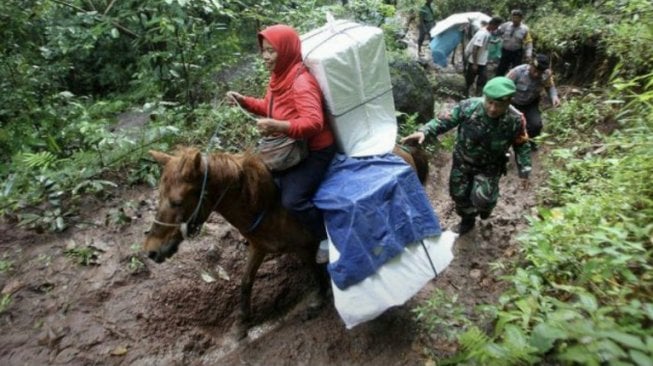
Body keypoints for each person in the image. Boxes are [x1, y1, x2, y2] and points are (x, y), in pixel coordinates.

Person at [226, 24, 336, 261]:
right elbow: (271, 107)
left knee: (293, 199)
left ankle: (326, 236)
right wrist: (244, 101)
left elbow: (314, 122)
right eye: (263, 50)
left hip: (316, 149)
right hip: (292, 145)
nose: (265, 57)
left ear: (285, 51)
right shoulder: (279, 77)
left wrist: (279, 126)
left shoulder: (301, 82)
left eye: (271, 51)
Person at [400, 77, 532, 235]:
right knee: (459, 196)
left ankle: (486, 207)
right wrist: (424, 131)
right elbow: (445, 121)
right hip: (462, 162)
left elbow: (522, 143)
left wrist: (524, 170)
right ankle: (467, 220)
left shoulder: (515, 120)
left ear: (509, 101)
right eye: (489, 102)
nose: (492, 109)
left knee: (483, 200)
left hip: (489, 167)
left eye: (499, 105)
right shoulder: (469, 107)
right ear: (484, 97)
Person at [506, 54, 561, 149]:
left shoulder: (546, 74)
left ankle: (530, 142)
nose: (536, 74)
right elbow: (504, 85)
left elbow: (550, 86)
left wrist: (554, 96)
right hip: (513, 103)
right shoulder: (517, 72)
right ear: (531, 65)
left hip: (530, 104)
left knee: (536, 125)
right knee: (510, 125)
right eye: (535, 71)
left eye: (539, 72)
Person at [464, 16, 503, 97]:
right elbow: (475, 48)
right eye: (496, 26)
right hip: (475, 61)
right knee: (470, 80)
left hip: (482, 61)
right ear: (492, 24)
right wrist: (475, 64)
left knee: (482, 80)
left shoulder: (488, 32)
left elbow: (485, 43)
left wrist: (494, 42)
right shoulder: (482, 33)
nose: (496, 29)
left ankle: (477, 95)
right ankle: (466, 94)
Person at [496, 9, 533, 76]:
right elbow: (497, 32)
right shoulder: (506, 25)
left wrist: (528, 54)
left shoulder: (525, 29)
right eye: (513, 17)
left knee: (515, 71)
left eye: (517, 18)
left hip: (516, 53)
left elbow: (528, 42)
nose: (515, 20)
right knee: (501, 69)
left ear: (521, 19)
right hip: (505, 51)